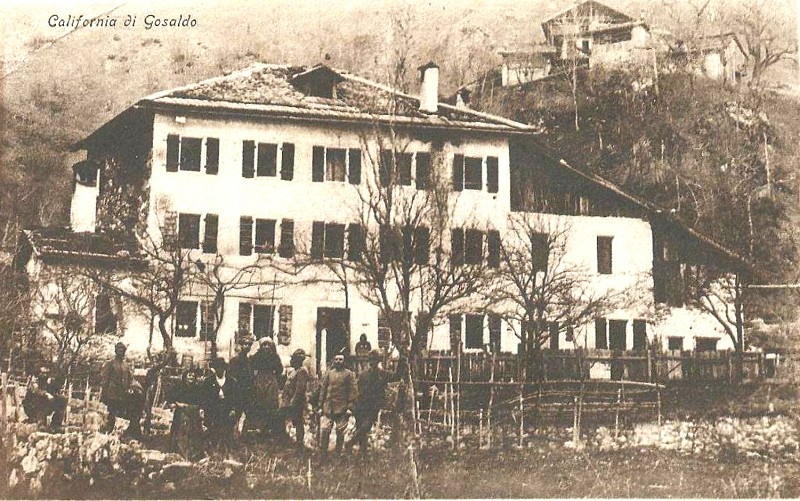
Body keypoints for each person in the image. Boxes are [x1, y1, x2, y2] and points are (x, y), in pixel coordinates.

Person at [353, 349, 393, 453]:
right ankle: (363, 452)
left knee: (366, 426)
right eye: (371, 359)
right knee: (360, 427)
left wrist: (404, 363)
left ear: (379, 360)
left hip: (374, 406)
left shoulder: (382, 374)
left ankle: (351, 442)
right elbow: (357, 389)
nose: (372, 362)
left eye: (375, 359)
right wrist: (355, 403)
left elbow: (396, 376)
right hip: (361, 405)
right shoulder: (363, 374)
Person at [198, 358, 240, 456]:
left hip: (227, 412)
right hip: (213, 412)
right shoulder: (208, 381)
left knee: (226, 434)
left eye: (222, 368)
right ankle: (212, 453)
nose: (220, 370)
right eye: (217, 368)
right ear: (215, 369)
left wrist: (234, 409)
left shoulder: (232, 381)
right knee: (213, 434)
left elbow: (237, 398)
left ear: (225, 369)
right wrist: (203, 409)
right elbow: (204, 397)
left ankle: (226, 454)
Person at [317, 352, 357, 453]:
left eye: (340, 359)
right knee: (325, 430)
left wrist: (350, 407)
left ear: (344, 361)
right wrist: (320, 406)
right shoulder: (329, 373)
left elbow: (353, 391)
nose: (338, 361)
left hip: (342, 409)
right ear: (334, 361)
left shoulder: (349, 374)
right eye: (336, 359)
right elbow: (323, 390)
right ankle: (323, 454)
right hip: (328, 408)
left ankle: (338, 454)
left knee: (340, 432)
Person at [250, 338, 284, 439]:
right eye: (263, 345)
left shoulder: (275, 357)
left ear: (271, 346)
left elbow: (280, 369)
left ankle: (270, 429)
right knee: (260, 404)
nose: (266, 347)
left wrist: (273, 378)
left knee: (271, 404)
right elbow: (252, 367)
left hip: (271, 381)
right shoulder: (256, 356)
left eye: (268, 345)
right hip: (260, 380)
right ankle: (259, 429)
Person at [280, 349, 310, 451]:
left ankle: (299, 445)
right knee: (290, 420)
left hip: (296, 402)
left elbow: (299, 389)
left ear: (298, 360)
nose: (291, 361)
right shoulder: (294, 371)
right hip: (288, 400)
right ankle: (286, 440)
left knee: (298, 422)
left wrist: (293, 402)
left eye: (293, 358)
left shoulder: (302, 371)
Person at [101, 342, 134, 434]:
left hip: (122, 394)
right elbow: (105, 379)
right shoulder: (110, 364)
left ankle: (118, 434)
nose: (121, 352)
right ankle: (108, 432)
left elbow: (130, 379)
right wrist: (104, 394)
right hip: (112, 393)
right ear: (116, 351)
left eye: (123, 350)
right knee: (111, 414)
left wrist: (130, 388)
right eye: (119, 350)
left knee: (121, 415)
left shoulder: (126, 365)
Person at [22, 367, 67, 432]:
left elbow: (55, 390)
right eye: (43, 373)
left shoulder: (47, 381)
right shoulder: (34, 381)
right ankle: (41, 424)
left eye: (47, 373)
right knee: (42, 399)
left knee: (62, 399)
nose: (45, 375)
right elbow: (37, 391)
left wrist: (53, 385)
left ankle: (55, 425)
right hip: (31, 407)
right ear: (39, 374)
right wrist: (46, 394)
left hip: (45, 405)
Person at [228, 334, 255, 436]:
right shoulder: (235, 360)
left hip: (247, 391)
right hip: (237, 391)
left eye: (249, 345)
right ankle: (232, 436)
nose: (247, 347)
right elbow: (231, 377)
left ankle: (244, 435)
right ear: (241, 345)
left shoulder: (249, 361)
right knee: (236, 414)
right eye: (245, 344)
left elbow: (251, 376)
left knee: (249, 413)